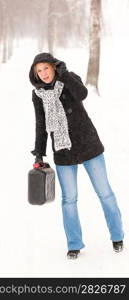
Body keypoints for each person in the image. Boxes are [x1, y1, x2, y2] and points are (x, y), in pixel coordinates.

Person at [29, 52, 124, 259]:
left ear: (54, 67)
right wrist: (39, 152)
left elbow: (82, 94)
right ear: (35, 74)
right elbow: (40, 125)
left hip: (88, 145)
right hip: (63, 151)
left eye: (46, 68)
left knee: (104, 192)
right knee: (69, 199)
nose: (44, 73)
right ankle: (74, 244)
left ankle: (117, 235)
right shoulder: (38, 95)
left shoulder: (69, 78)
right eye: (39, 71)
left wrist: (65, 76)